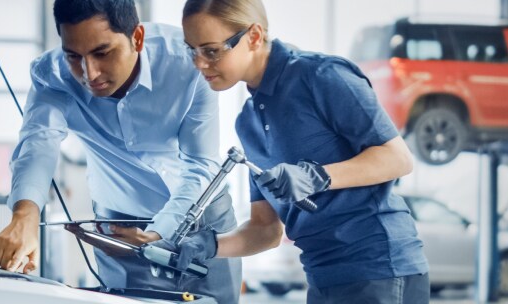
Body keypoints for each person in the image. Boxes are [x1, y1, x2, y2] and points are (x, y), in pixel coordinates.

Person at [172, 0, 432, 303]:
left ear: (254, 36)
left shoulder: (321, 76)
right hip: (322, 276)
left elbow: (397, 158)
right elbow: (266, 229)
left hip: (379, 268)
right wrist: (211, 245)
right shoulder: (248, 121)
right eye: (192, 50)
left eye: (212, 50)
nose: (199, 63)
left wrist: (315, 176)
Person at [0, 0, 238, 302]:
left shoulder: (187, 60)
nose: (89, 73)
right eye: (73, 56)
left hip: (202, 220)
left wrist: (159, 233)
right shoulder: (51, 75)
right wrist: (25, 215)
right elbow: (38, 143)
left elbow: (200, 164)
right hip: (120, 228)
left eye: (102, 53)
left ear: (137, 37)